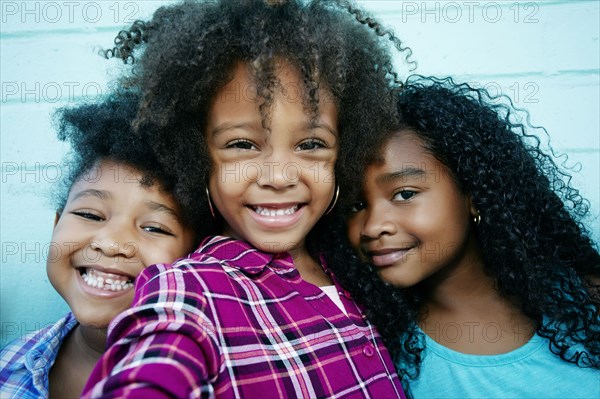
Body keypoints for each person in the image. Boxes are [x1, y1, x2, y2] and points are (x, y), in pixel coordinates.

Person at [82, 0, 412, 397]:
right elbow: (155, 366)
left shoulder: (354, 266)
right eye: (242, 144)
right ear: (197, 156)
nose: (277, 176)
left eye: (311, 144)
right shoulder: (191, 289)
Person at [344, 76, 600, 398]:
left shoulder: (584, 295)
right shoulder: (380, 353)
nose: (371, 226)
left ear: (474, 194)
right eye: (356, 205)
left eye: (405, 193)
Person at [0, 93, 202, 399]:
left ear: (194, 257)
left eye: (153, 228)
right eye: (89, 214)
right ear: (57, 224)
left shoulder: (211, 382)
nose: (111, 243)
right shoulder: (10, 364)